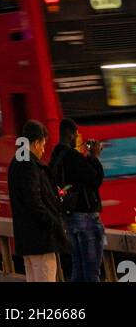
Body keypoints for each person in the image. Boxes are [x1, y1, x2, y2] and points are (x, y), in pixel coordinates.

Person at [7, 120, 69, 282]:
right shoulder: (28, 165)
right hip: (40, 240)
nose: (43, 150)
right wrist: (54, 222)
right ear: (35, 143)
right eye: (43, 144)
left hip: (28, 241)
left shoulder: (17, 162)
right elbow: (34, 201)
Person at [50, 119, 105, 283]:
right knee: (91, 271)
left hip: (70, 218)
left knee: (78, 268)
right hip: (86, 219)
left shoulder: (56, 156)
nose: (77, 137)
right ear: (70, 134)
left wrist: (86, 157)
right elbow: (95, 179)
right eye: (76, 134)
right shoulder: (72, 156)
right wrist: (93, 157)